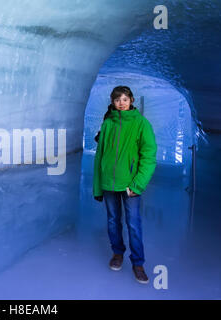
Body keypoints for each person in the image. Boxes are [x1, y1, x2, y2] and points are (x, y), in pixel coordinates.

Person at [93, 86, 157, 284]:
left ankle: (138, 263)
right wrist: (98, 186)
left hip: (130, 185)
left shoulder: (141, 123)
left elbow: (149, 157)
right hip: (109, 184)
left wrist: (137, 185)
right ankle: (117, 253)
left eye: (125, 99)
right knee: (113, 220)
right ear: (112, 102)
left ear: (131, 100)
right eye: (117, 99)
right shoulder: (107, 123)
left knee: (133, 224)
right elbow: (99, 157)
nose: (121, 102)